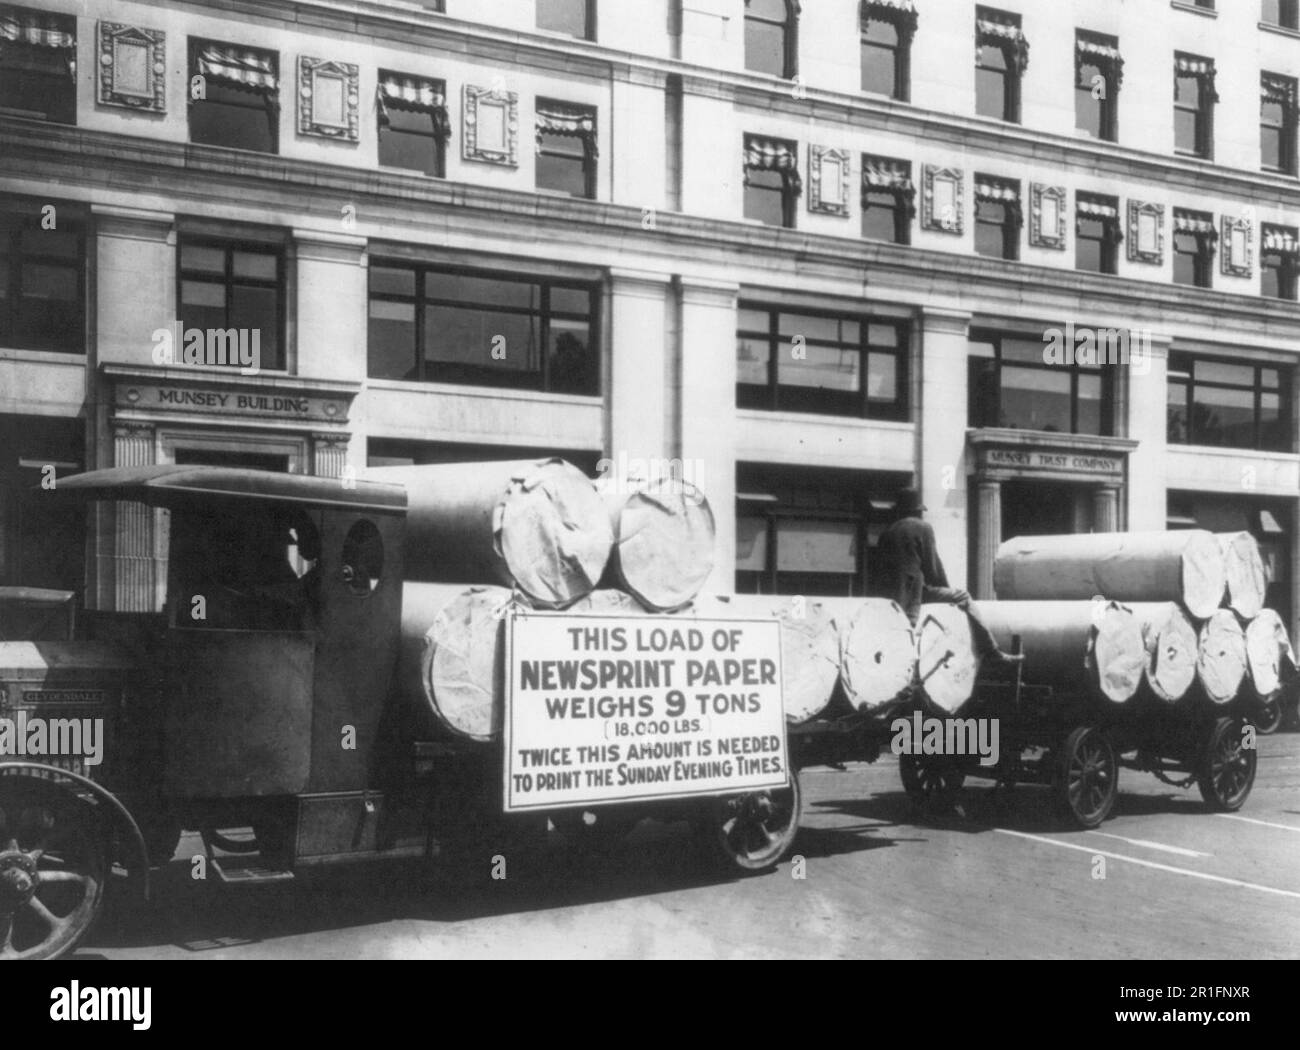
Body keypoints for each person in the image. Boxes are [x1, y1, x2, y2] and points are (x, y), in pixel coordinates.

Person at [876, 487, 1022, 666]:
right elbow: (933, 568)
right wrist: (947, 591)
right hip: (913, 595)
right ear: (917, 511)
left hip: (888, 597)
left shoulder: (887, 532)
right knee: (963, 596)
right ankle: (992, 651)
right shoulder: (922, 527)